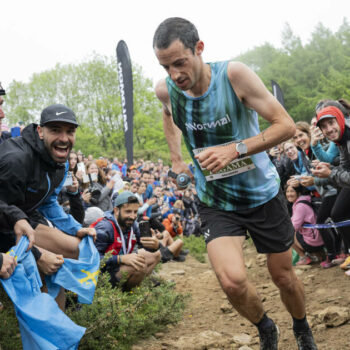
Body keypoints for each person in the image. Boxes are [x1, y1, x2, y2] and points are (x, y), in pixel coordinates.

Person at [153, 17, 317, 350]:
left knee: (283, 276)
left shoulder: (234, 76)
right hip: (216, 199)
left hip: (261, 194)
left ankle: (301, 327)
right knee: (232, 282)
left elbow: (285, 126)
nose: (174, 74)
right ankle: (265, 327)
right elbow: (168, 113)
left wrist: (234, 149)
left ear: (199, 49)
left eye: (180, 62)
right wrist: (176, 160)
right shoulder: (166, 89)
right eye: (165, 66)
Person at [0, 104, 96, 308]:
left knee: (77, 250)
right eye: (55, 130)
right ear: (40, 131)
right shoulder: (16, 160)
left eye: (69, 131)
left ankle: (63, 314)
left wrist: (75, 228)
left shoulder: (57, 164)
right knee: (46, 263)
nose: (64, 138)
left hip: (22, 220)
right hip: (5, 226)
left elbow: (49, 202)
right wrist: (38, 254)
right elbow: (3, 218)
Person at [312, 100, 350, 275]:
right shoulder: (341, 140)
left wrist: (330, 173)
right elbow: (344, 169)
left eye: (331, 123)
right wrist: (331, 170)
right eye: (323, 127)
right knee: (338, 213)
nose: (328, 129)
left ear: (340, 119)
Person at [93, 191, 161, 290]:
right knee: (140, 266)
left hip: (119, 265)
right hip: (103, 274)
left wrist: (155, 245)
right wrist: (120, 259)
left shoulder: (131, 224)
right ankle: (125, 294)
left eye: (135, 212)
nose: (133, 216)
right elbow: (93, 259)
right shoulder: (104, 228)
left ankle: (135, 284)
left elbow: (144, 245)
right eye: (128, 211)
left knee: (156, 255)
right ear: (116, 210)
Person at [285, 185, 324, 265]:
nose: (289, 194)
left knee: (287, 234)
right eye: (287, 191)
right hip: (318, 237)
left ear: (298, 193)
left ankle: (304, 257)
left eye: (292, 191)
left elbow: (294, 227)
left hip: (313, 241)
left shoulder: (300, 206)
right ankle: (319, 255)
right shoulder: (303, 201)